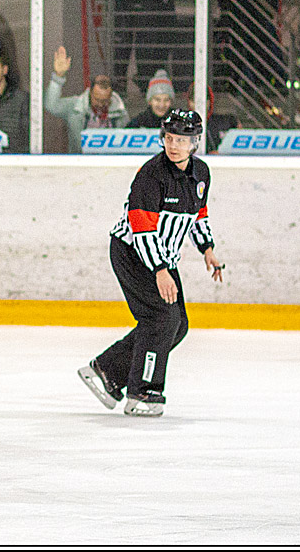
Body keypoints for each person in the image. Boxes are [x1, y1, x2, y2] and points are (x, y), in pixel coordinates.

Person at [79, 109, 223, 417]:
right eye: (169, 138)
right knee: (161, 318)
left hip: (161, 257)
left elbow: (198, 213)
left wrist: (207, 248)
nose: (173, 145)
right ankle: (143, 392)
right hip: (133, 253)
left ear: (194, 143)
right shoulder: (151, 176)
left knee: (178, 325)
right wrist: (159, 271)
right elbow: (142, 230)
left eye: (181, 140)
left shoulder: (201, 174)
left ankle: (106, 370)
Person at [44, 46, 129, 153]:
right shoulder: (75, 106)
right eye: (97, 99)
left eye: (105, 101)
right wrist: (58, 77)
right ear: (90, 93)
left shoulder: (120, 112)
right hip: (79, 163)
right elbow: (51, 106)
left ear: (111, 96)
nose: (100, 104)